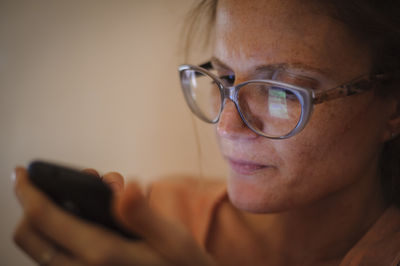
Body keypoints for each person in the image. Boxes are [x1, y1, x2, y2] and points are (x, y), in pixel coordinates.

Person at [12, 0, 400, 265]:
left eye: (282, 91)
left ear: (393, 107)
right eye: (225, 77)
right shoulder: (159, 215)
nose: (226, 125)